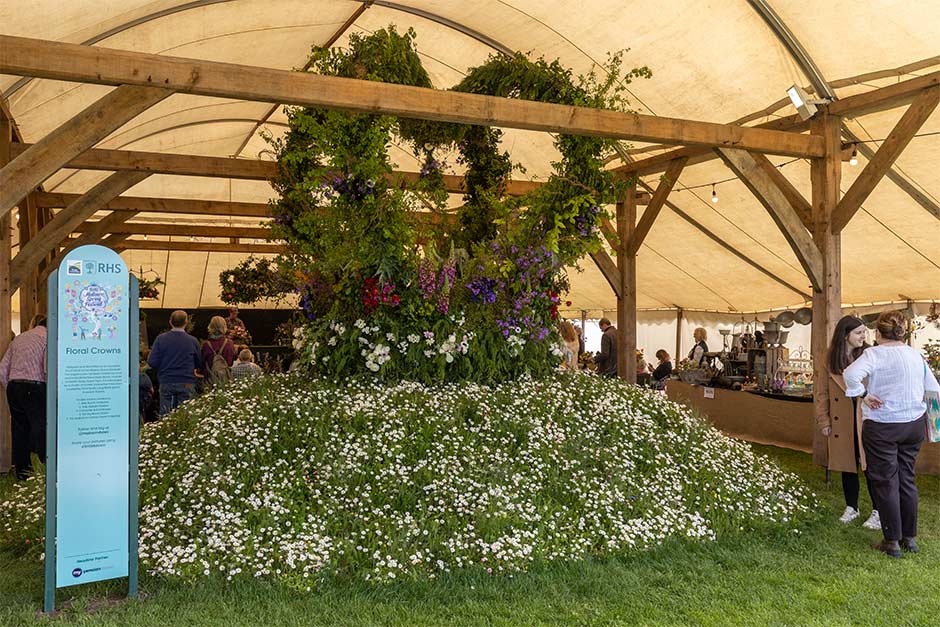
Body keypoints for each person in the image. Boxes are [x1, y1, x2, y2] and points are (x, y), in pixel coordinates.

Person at [844, 311, 940, 558]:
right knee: (906, 478)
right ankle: (909, 538)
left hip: (883, 426)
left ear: (878, 333)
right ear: (902, 332)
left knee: (886, 481)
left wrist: (864, 394)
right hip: (913, 424)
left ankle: (891, 541)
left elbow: (850, 375)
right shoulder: (915, 354)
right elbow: (933, 388)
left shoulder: (874, 354)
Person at [816, 316, 879, 528]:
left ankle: (878, 510)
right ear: (845, 335)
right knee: (847, 464)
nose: (863, 336)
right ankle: (852, 507)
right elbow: (822, 393)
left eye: (864, 332)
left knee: (870, 465)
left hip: (866, 417)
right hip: (841, 419)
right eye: (858, 333)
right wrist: (824, 420)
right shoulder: (829, 359)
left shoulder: (870, 354)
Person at [0, 315, 47, 480]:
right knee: (41, 428)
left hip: (14, 386)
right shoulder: (48, 339)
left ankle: (23, 474)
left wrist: (11, 387)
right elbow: (47, 368)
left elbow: (2, 370)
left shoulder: (19, 338)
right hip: (35, 386)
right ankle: (45, 469)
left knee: (19, 431)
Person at [148, 310, 201, 415]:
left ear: (170, 322)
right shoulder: (193, 341)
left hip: (166, 380)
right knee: (186, 415)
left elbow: (152, 362)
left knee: (166, 414)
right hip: (186, 381)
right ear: (186, 322)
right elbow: (199, 362)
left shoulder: (160, 339)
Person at [202, 316, 236, 384]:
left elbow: (202, 364)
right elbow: (231, 362)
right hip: (226, 380)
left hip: (210, 380)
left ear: (210, 327)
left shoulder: (206, 345)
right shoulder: (229, 344)